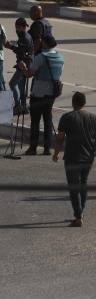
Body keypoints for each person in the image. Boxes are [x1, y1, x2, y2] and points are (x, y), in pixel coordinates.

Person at [52, 92, 96, 227]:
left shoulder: (67, 117)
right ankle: (81, 212)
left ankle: (78, 217)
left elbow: (60, 139)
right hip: (88, 156)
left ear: (72, 102)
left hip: (72, 157)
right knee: (83, 183)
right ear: (84, 103)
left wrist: (56, 153)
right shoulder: (93, 117)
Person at [22, 35, 64, 156]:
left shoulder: (40, 57)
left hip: (38, 93)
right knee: (48, 120)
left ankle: (33, 147)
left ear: (45, 44)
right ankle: (47, 148)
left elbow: (30, 74)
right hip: (51, 93)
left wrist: (24, 67)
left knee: (35, 120)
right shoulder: (60, 57)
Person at [5, 17, 34, 114]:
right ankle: (24, 106)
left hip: (23, 65)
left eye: (19, 27)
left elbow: (22, 53)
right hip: (26, 63)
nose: (17, 29)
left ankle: (18, 105)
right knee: (22, 85)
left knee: (12, 83)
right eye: (16, 27)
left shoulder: (24, 38)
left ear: (24, 27)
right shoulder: (26, 36)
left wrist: (11, 47)